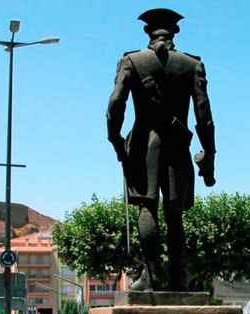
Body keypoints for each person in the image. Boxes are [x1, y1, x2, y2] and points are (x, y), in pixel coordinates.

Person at [106, 8, 217, 291]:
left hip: (144, 143)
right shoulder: (192, 65)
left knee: (147, 205)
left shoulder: (132, 61)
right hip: (178, 144)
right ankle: (179, 277)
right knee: (174, 212)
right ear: (175, 33)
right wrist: (209, 156)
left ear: (148, 32)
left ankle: (152, 277)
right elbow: (204, 116)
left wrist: (116, 139)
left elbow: (115, 105)